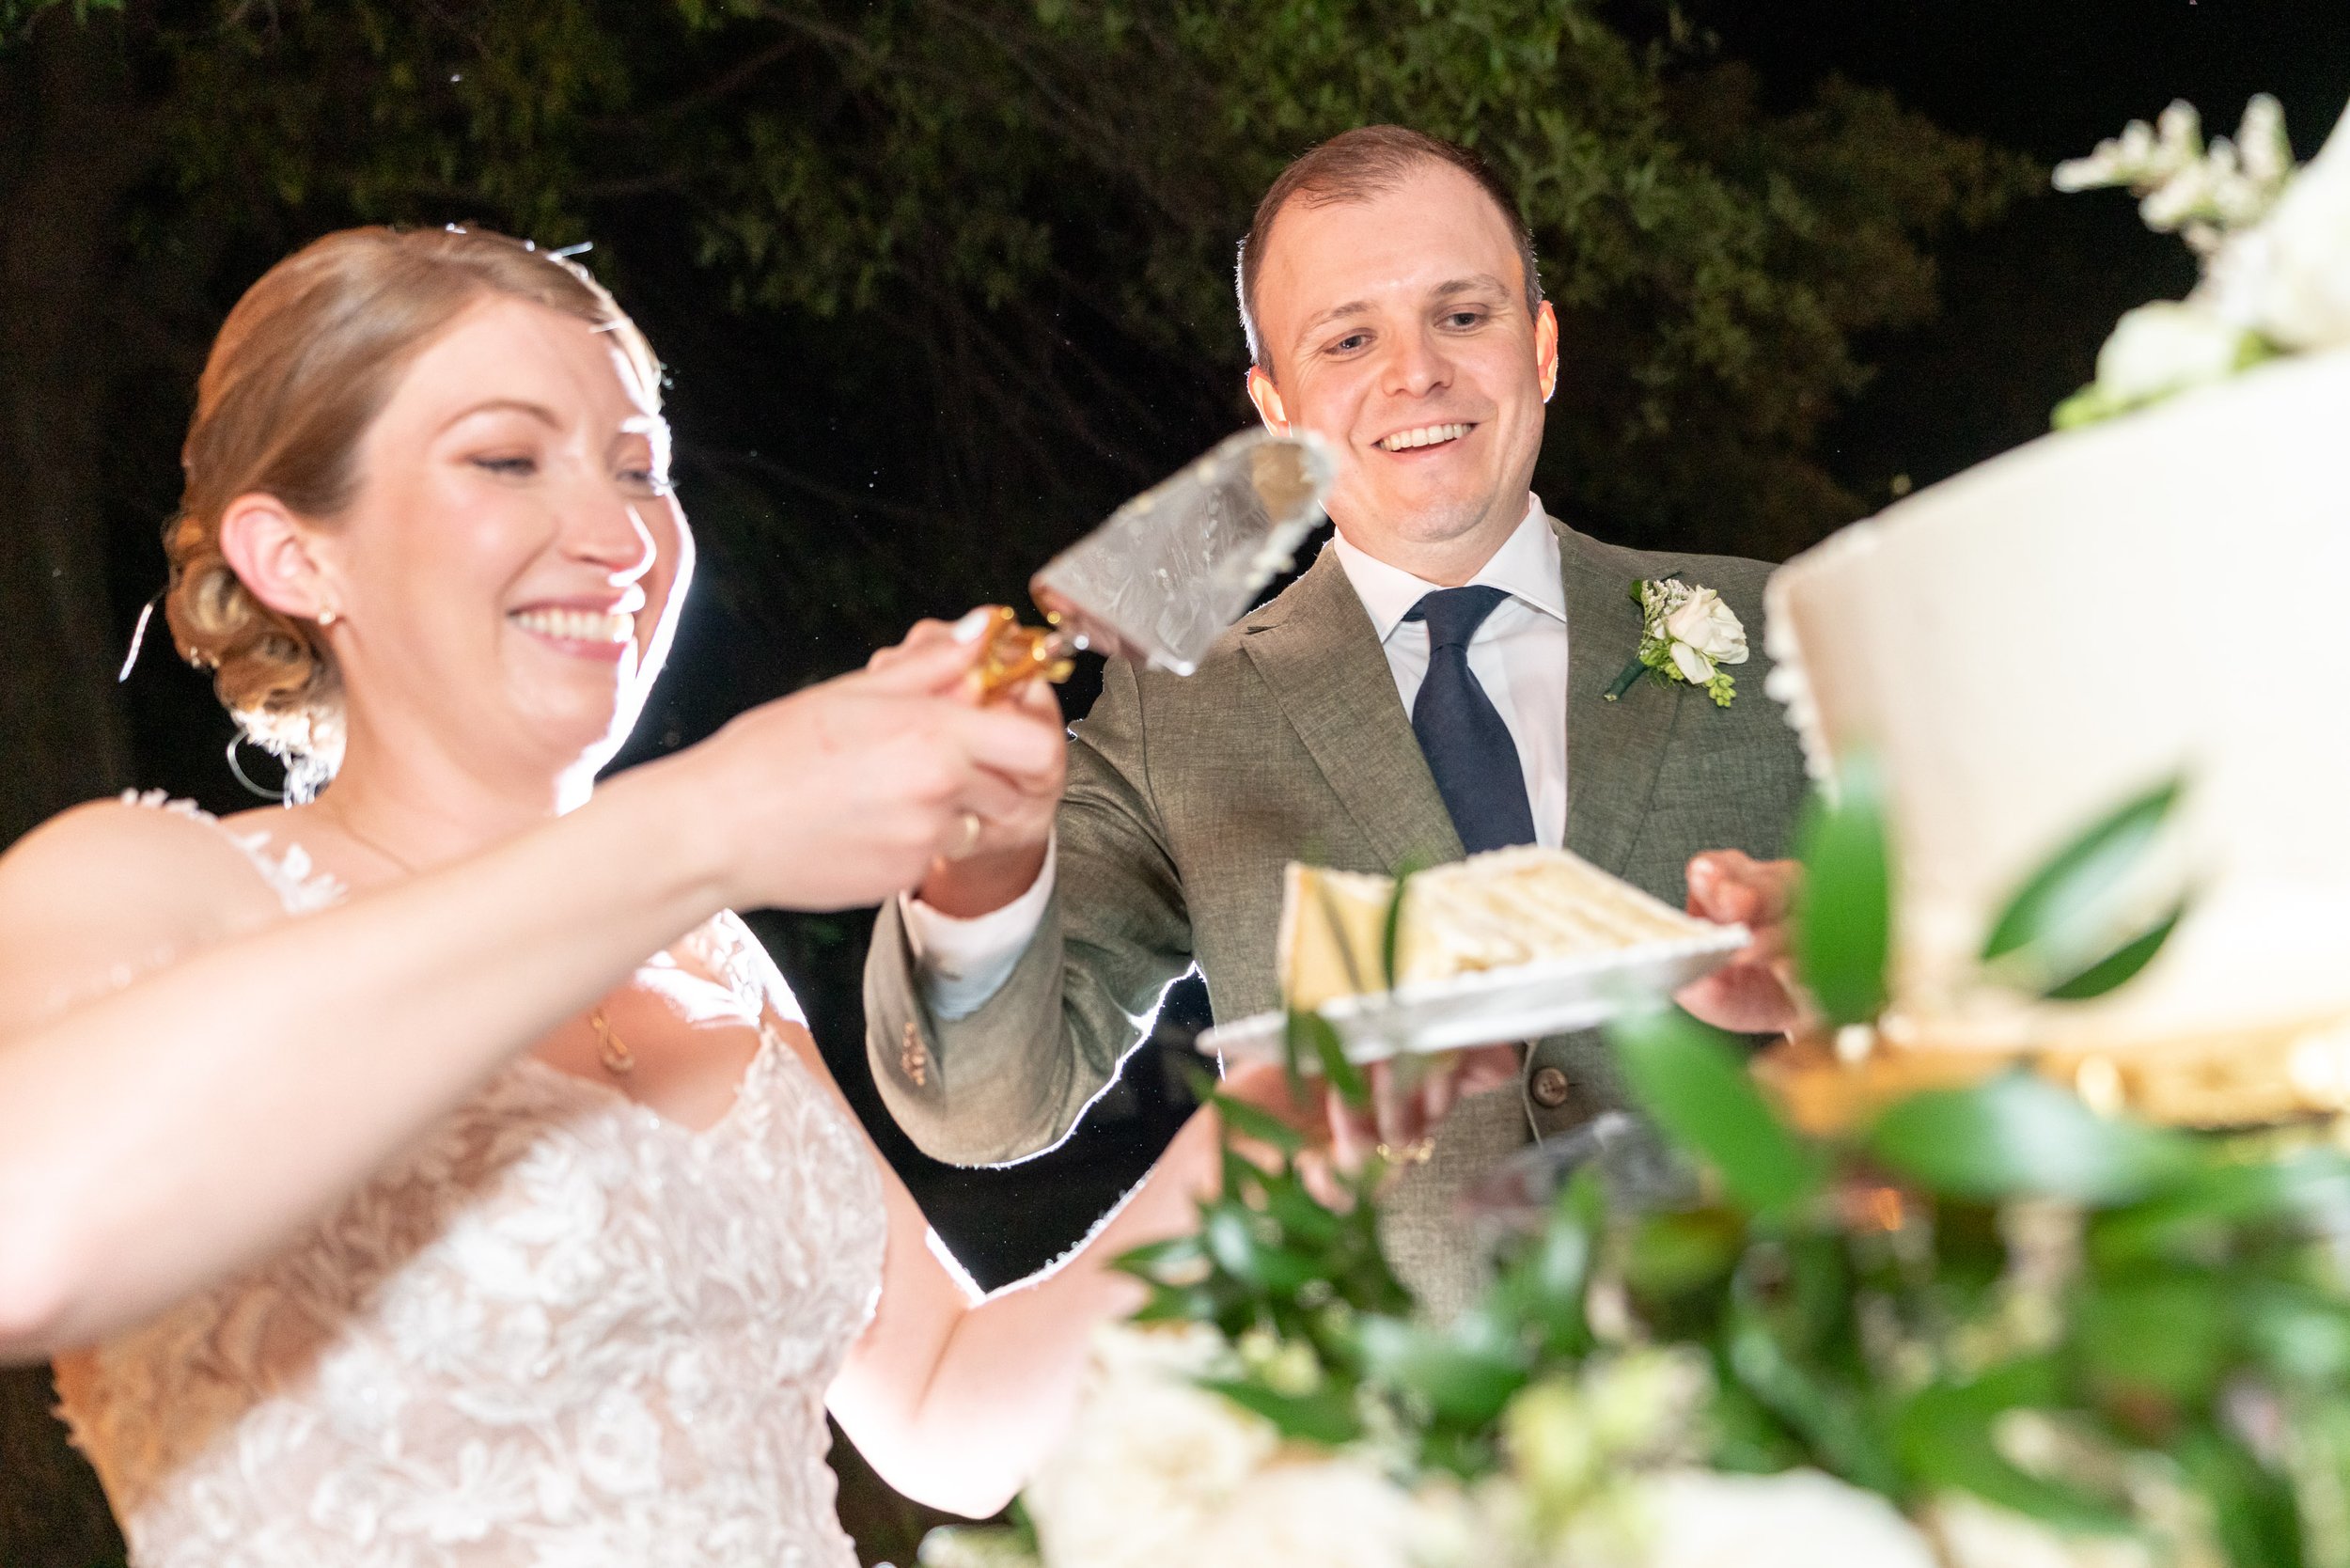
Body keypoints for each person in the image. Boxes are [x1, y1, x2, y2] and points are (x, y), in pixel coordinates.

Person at [0, 225, 1308, 1566]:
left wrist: (1295, 1118)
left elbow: (945, 1418)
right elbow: (26, 1234)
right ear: (295, 556)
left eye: (643, 470)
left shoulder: (705, 952)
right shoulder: (141, 884)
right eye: (507, 460)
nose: (621, 538)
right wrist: (705, 820)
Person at [865, 126, 1812, 1317]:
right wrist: (977, 857)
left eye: (1463, 315)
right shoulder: (1174, 715)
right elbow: (989, 1107)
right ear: (1274, 408)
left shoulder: (1781, 626)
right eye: (1349, 338)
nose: (1415, 373)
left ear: (1544, 344)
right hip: (1388, 1461)